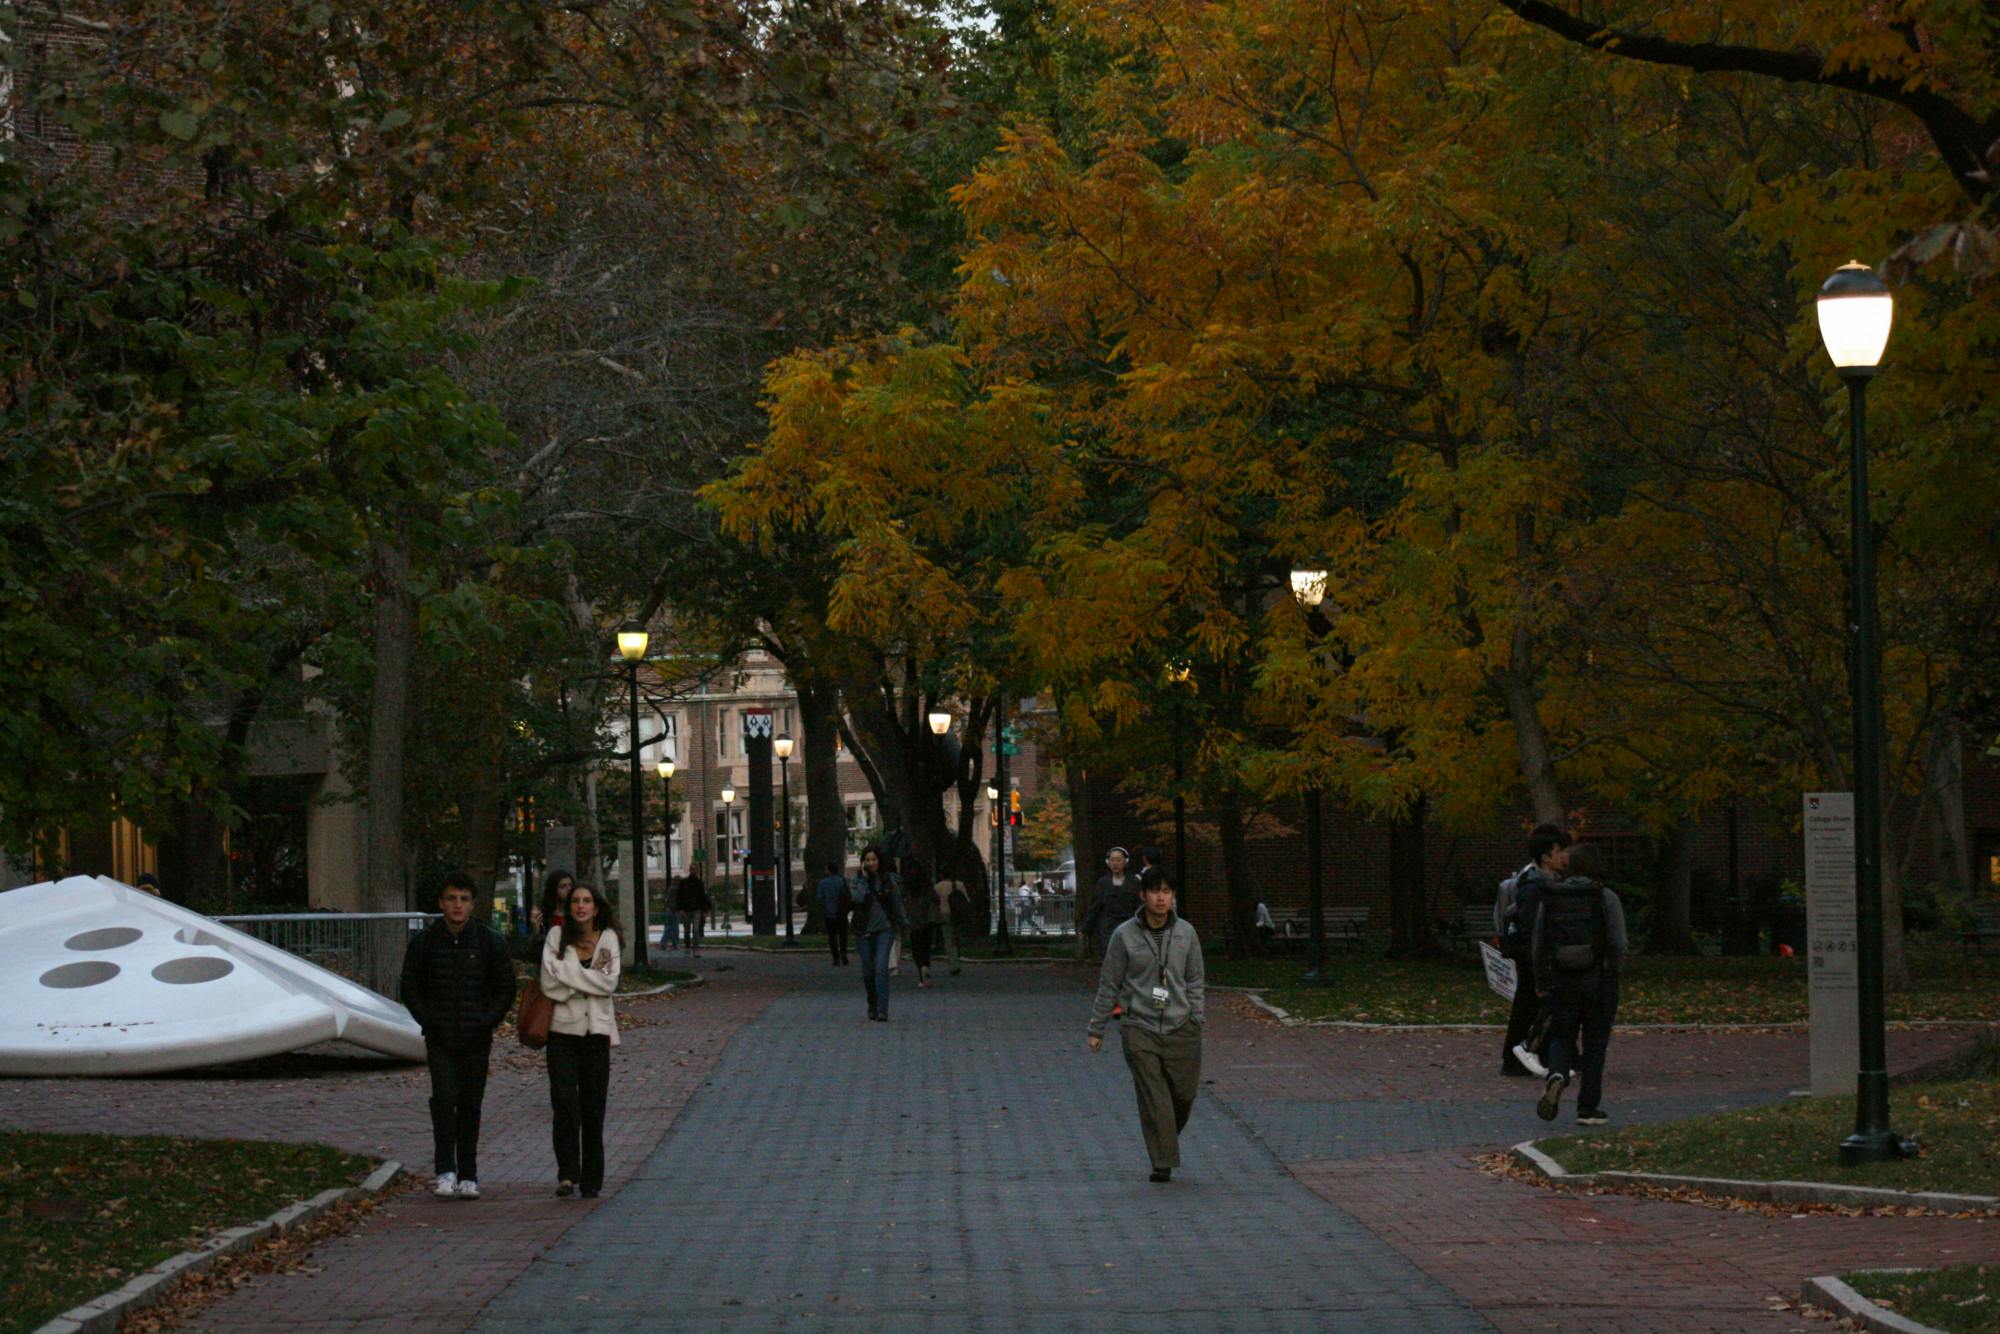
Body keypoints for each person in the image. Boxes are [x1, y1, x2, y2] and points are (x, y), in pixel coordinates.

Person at [400, 871, 516, 1202]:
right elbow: (410, 985)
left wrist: (486, 1021)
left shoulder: (489, 941)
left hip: (476, 1036)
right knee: (444, 1099)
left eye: (464, 900)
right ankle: (445, 1170)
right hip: (440, 1036)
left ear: (473, 904)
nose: (457, 906)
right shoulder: (424, 943)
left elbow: (505, 986)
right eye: (451, 899)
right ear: (441, 903)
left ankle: (468, 1173)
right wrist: (429, 1020)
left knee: (469, 1104)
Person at [1087, 866, 1206, 1182]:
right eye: (1155, 891)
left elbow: (1194, 978)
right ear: (1143, 896)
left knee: (1184, 1096)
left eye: (1167, 892)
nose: (1161, 898)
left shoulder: (1186, 933)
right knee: (1156, 1097)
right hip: (1139, 1025)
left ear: (1173, 896)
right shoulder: (1124, 935)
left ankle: (1163, 1138)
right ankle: (1162, 1161)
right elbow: (1109, 982)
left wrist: (1196, 1016)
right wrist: (1096, 1027)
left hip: (1182, 1026)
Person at [1531, 844, 1625, 1127]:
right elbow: (1619, 942)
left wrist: (1541, 980)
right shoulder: (1605, 897)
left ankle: (1557, 1073)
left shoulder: (1552, 897)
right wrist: (1615, 971)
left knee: (1561, 1034)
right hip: (1599, 979)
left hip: (1562, 978)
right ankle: (1588, 1108)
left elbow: (1538, 942)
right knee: (1595, 1045)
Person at [541, 883, 621, 1198]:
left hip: (596, 1033)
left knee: (593, 1107)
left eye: (587, 901)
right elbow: (549, 984)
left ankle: (591, 1178)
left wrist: (569, 976)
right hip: (562, 1032)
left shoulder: (607, 939)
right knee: (564, 1101)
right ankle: (567, 1172)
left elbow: (609, 982)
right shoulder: (556, 938)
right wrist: (589, 983)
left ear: (596, 907)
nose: (581, 906)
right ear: (568, 906)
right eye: (575, 901)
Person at [1499, 824, 1572, 1077]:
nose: (1565, 856)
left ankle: (1533, 1055)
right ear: (1546, 856)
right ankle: (1518, 1056)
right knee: (1530, 1006)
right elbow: (1532, 928)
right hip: (1532, 956)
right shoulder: (1534, 886)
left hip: (1532, 954)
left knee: (1533, 1006)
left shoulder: (1539, 882)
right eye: (1559, 850)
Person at [848, 844, 908, 1022]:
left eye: (874, 859)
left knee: (881, 968)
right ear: (863, 862)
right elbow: (857, 898)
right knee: (868, 971)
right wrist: (865, 879)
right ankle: (872, 1004)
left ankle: (883, 1009)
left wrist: (903, 923)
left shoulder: (887, 879)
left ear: (879, 861)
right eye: (867, 860)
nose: (871, 863)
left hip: (884, 929)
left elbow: (896, 903)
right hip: (864, 931)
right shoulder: (857, 880)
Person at [1083, 847, 1140, 956]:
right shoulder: (1103, 883)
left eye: (1118, 860)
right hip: (1108, 927)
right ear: (1108, 863)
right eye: (1112, 860)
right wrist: (1086, 928)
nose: (1115, 863)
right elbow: (1095, 906)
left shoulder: (1134, 882)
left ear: (1125, 861)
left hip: (1129, 925)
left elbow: (1139, 906)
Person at [906, 861, 940, 987]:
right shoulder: (927, 885)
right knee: (926, 946)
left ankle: (921, 970)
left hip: (913, 919)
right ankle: (926, 965)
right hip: (927, 920)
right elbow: (936, 899)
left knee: (916, 948)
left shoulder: (908, 885)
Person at [931, 873, 968, 976]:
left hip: (944, 914)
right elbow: (966, 900)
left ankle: (954, 964)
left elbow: (934, 902)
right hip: (957, 914)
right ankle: (957, 957)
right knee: (956, 938)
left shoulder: (937, 887)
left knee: (948, 939)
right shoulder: (959, 885)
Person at [816, 862, 851, 966]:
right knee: (843, 935)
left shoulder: (822, 883)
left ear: (828, 870)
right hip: (842, 912)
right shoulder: (843, 881)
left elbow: (819, 898)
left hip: (829, 913)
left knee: (832, 936)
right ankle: (844, 954)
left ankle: (835, 957)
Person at [531, 869, 575, 938]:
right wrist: (536, 930)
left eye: (570, 885)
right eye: (563, 886)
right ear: (554, 890)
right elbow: (537, 943)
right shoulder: (544, 916)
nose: (568, 889)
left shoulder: (577, 913)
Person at [674, 873, 709, 958]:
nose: (694, 871)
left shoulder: (699, 883)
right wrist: (680, 909)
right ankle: (687, 946)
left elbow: (703, 896)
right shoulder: (684, 882)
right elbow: (679, 896)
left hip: (696, 909)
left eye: (695, 870)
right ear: (690, 870)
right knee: (687, 930)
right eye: (693, 869)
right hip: (686, 910)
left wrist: (704, 910)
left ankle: (696, 949)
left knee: (696, 929)